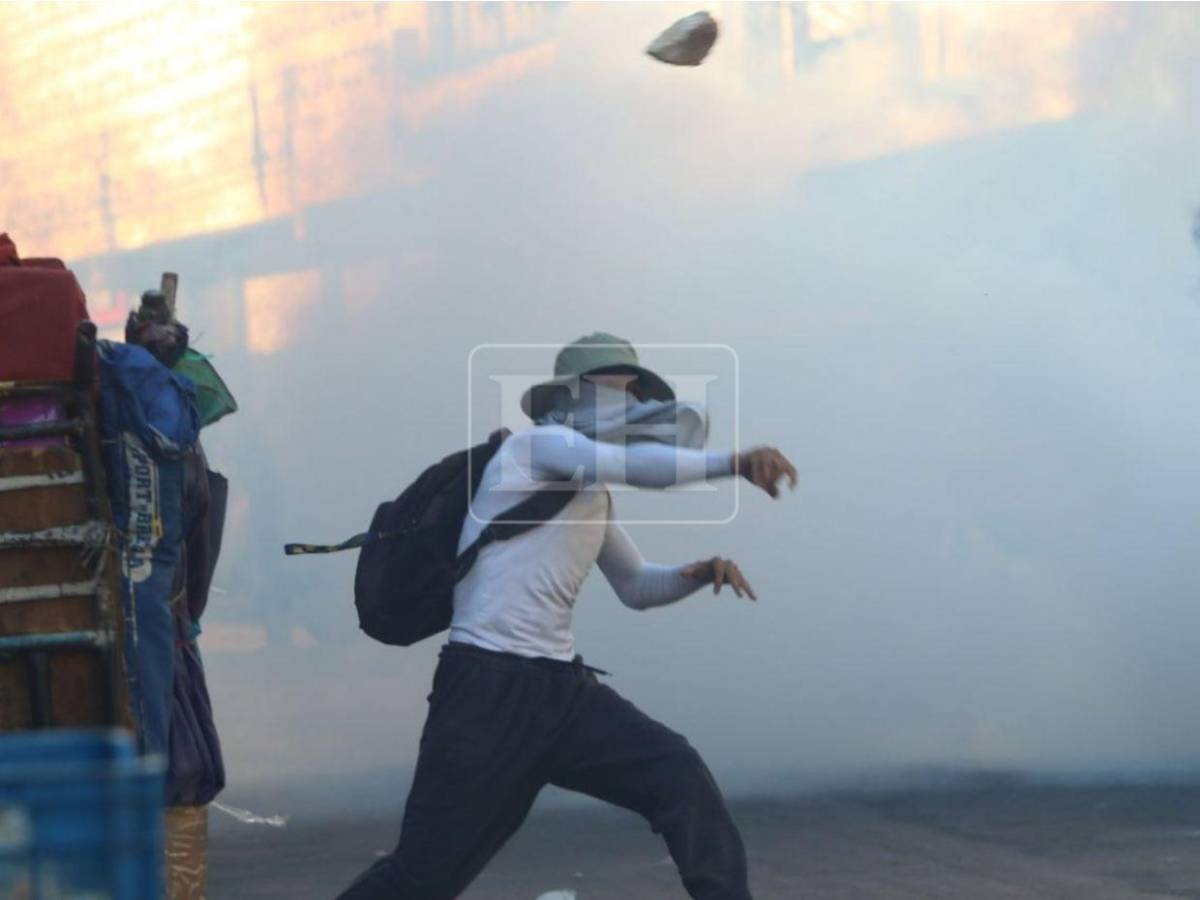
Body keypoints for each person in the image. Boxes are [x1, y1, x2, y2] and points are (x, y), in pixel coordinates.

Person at [339, 333, 797, 900]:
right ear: (572, 395)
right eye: (613, 387)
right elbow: (635, 465)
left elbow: (636, 586)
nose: (627, 400)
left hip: (563, 695)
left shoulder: (592, 494)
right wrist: (733, 462)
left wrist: (697, 573)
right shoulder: (535, 450)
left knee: (678, 775)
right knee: (426, 874)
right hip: (485, 693)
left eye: (633, 390)